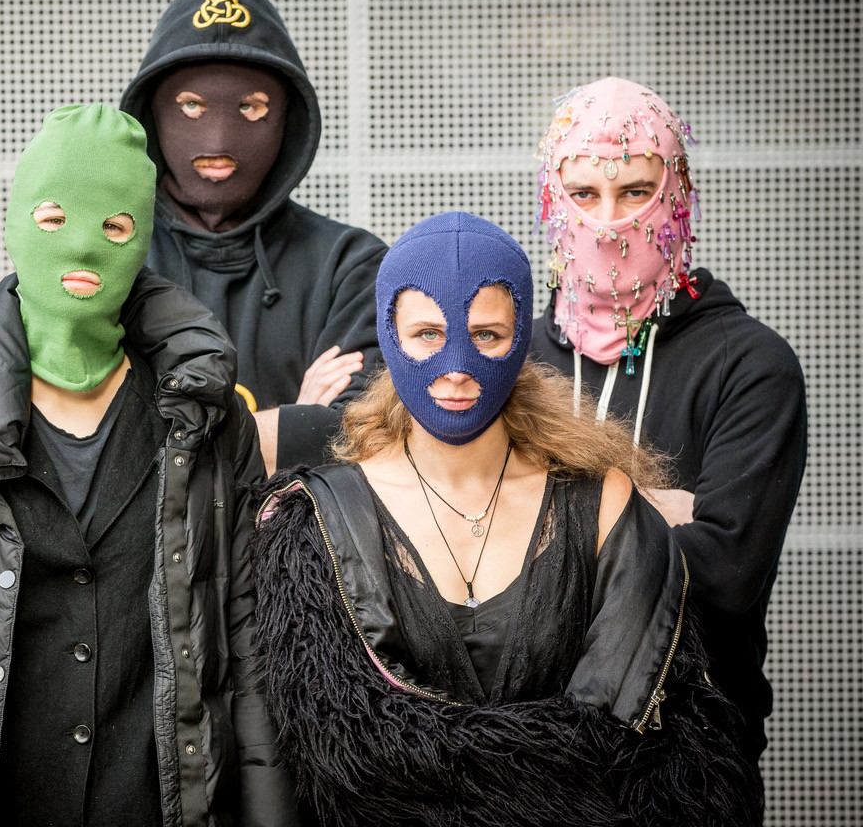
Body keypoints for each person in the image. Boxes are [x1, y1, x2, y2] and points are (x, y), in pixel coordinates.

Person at [0, 105, 298, 827]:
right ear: (16, 226)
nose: (82, 245)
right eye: (53, 219)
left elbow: (250, 641)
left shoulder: (207, 417)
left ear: (143, 240)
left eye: (115, 227)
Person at [251, 211, 762, 826]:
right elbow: (350, 760)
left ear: (521, 339)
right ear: (389, 335)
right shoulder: (314, 522)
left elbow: (651, 750)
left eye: (487, 334)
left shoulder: (605, 507)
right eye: (428, 334)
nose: (456, 365)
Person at [529, 76, 807, 765]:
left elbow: (723, 578)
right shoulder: (516, 359)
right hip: (528, 752)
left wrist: (538, 521)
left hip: (693, 757)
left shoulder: (750, 364)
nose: (608, 223)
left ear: (678, 194)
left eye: (635, 192)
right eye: (584, 193)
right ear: (551, 200)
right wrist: (646, 510)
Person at [120, 0, 387, 473]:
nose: (218, 142)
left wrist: (180, 442)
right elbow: (98, 454)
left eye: (251, 108)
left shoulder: (350, 267)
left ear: (286, 120)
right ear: (153, 116)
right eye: (192, 106)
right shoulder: (114, 257)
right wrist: (294, 423)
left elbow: (359, 442)